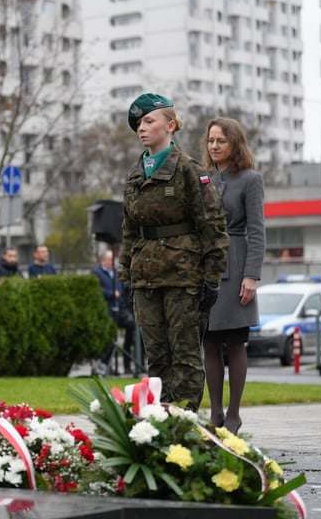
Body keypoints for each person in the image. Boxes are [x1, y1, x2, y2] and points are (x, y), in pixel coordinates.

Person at [118, 92, 229, 412]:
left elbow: (213, 226)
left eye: (149, 121)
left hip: (183, 277)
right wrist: (126, 273)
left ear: (171, 125)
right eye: (138, 123)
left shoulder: (188, 170)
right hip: (145, 278)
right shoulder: (136, 172)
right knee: (157, 357)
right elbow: (128, 229)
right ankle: (159, 422)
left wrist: (211, 278)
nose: (142, 128)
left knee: (185, 356)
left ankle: (184, 421)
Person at [201, 118, 265, 433]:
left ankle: (234, 414)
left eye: (221, 141)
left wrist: (251, 275)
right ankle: (215, 412)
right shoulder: (202, 178)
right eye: (211, 140)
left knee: (235, 342)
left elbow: (257, 231)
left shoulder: (251, 179)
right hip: (205, 268)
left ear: (234, 144)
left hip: (237, 265)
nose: (214, 146)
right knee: (209, 342)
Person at [91, 249, 141, 376]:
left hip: (121, 310)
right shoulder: (96, 273)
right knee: (110, 337)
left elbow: (124, 292)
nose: (112, 262)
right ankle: (106, 365)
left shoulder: (117, 274)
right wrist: (110, 294)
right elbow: (96, 290)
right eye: (109, 259)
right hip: (107, 310)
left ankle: (128, 364)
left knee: (132, 329)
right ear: (103, 260)